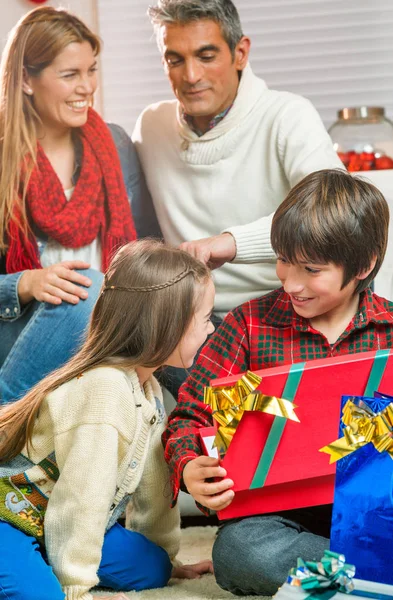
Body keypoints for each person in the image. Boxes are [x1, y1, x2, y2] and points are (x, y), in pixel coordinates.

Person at [162, 169, 393, 596]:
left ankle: (354, 579)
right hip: (282, 517)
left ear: (364, 265)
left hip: (379, 511)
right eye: (283, 259)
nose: (291, 281)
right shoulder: (249, 324)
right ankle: (373, 577)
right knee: (240, 553)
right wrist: (189, 465)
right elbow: (190, 414)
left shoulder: (390, 328)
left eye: (312, 269)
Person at [132, 0, 343, 396]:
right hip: (194, 324)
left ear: (240, 52)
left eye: (206, 56)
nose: (190, 75)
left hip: (286, 312)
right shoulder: (152, 125)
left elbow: (333, 213)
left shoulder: (287, 115)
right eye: (174, 59)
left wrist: (230, 243)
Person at [0, 239, 214, 600]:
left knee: (153, 568)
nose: (211, 331)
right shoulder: (104, 389)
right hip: (9, 517)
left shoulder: (150, 392)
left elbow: (155, 484)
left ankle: (48, 555)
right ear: (169, 326)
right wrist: (76, 588)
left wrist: (166, 557)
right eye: (206, 320)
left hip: (55, 519)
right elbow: (81, 499)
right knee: (40, 595)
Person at [0, 6, 146, 404]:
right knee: (89, 287)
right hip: (23, 335)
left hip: (105, 336)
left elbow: (140, 257)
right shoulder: (4, 160)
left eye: (91, 70)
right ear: (27, 81)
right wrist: (25, 283)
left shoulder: (113, 145)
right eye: (70, 75)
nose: (87, 87)